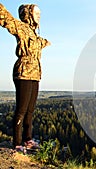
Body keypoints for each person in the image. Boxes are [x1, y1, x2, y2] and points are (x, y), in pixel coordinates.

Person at [0, 3, 51, 151]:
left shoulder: (34, 34)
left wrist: (45, 42)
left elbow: (38, 44)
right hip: (23, 72)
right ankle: (17, 143)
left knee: (30, 110)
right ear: (28, 14)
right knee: (21, 110)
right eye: (36, 13)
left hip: (35, 73)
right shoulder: (21, 28)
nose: (39, 16)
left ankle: (28, 139)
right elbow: (6, 19)